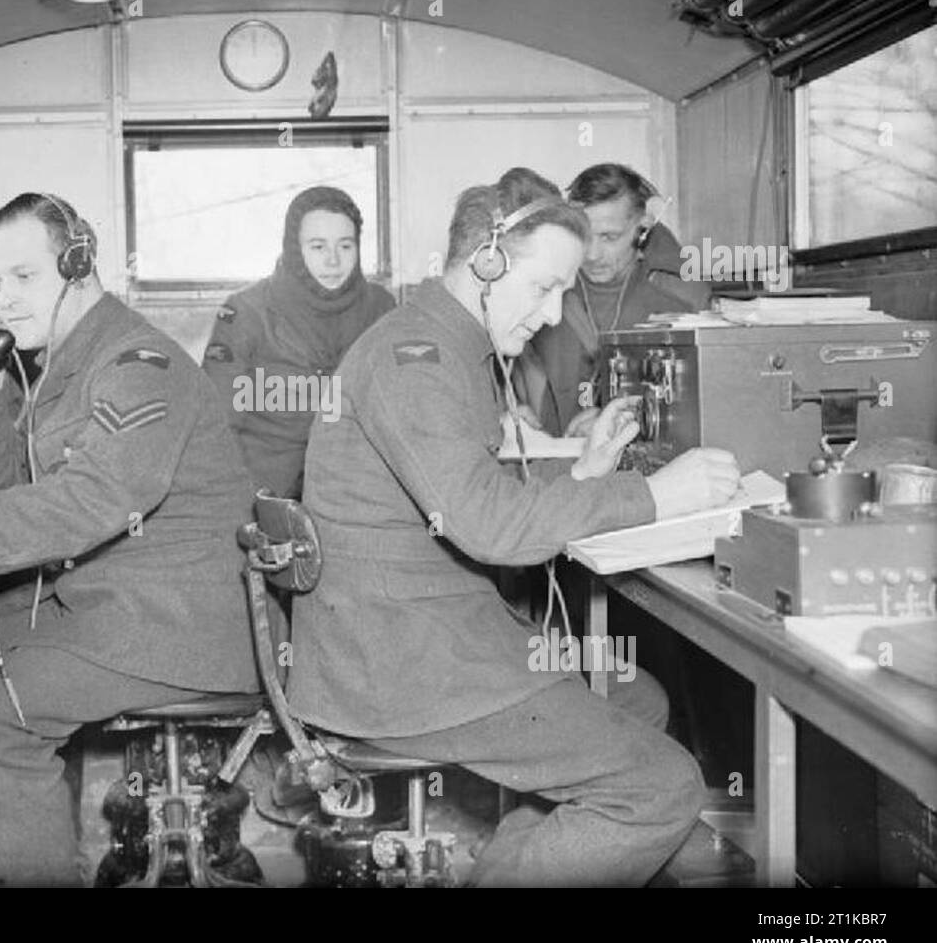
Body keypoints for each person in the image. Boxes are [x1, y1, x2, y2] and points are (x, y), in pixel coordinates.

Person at [287, 168, 741, 887]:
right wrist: (654, 494)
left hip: (418, 637)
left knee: (637, 698)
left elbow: (472, 488)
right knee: (664, 786)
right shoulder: (418, 359)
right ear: (487, 263)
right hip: (407, 665)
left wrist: (588, 472)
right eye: (545, 287)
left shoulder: (441, 342)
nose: (557, 315)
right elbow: (489, 525)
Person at [0, 193, 260, 887]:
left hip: (176, 622)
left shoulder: (134, 363)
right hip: (108, 601)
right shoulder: (57, 362)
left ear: (79, 261)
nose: (5, 300)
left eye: (25, 277)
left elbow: (96, 497)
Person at [201, 186, 394, 499]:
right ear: (294, 248)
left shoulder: (380, 309)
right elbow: (216, 426)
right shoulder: (246, 312)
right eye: (318, 247)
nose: (333, 261)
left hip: (356, 491)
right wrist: (248, 507)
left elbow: (398, 413)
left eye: (345, 246)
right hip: (263, 494)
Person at [525, 163, 711, 436]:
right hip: (550, 462)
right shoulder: (540, 284)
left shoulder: (684, 299)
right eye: (584, 236)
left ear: (643, 226)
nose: (592, 255)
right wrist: (510, 408)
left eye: (609, 237)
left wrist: (618, 418)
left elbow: (702, 404)